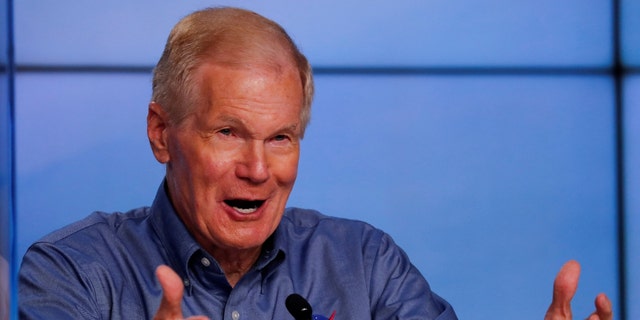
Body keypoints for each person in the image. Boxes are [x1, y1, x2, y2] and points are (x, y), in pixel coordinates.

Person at [18, 7, 612, 320]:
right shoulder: (72, 272)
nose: (258, 168)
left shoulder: (366, 265)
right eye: (228, 132)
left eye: (281, 138)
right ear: (161, 134)